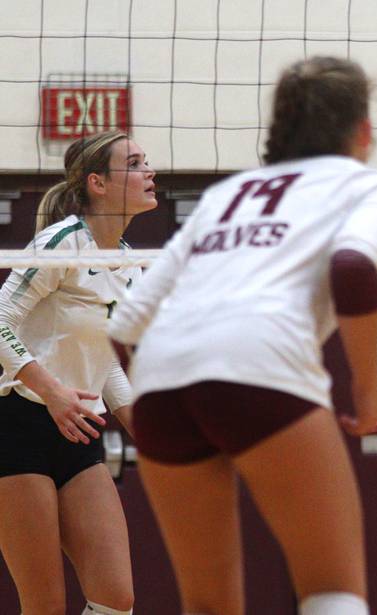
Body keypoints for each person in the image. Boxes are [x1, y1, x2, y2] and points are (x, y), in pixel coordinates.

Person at [107, 56, 377, 615]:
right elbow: (352, 267)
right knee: (332, 591)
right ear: (363, 131)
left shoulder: (229, 194)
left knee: (207, 605)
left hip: (158, 377)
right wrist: (370, 391)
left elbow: (126, 322)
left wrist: (179, 390)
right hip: (260, 363)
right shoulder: (373, 187)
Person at [0, 129, 157, 614]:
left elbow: (101, 358)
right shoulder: (62, 243)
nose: (150, 172)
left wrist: (146, 430)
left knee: (116, 598)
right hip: (17, 423)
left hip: (77, 429)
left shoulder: (129, 264)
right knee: (44, 605)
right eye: (134, 163)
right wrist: (52, 393)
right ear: (98, 183)